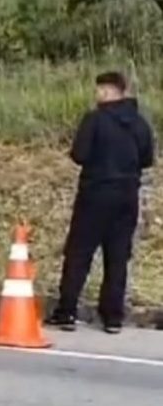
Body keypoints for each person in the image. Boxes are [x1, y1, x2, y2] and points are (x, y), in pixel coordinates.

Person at [45, 71, 155, 334]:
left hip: (95, 194)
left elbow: (79, 154)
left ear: (108, 91)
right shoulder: (140, 124)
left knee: (79, 253)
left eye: (99, 91)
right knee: (117, 256)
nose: (97, 96)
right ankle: (112, 317)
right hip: (127, 196)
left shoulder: (95, 120)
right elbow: (148, 159)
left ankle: (67, 311)